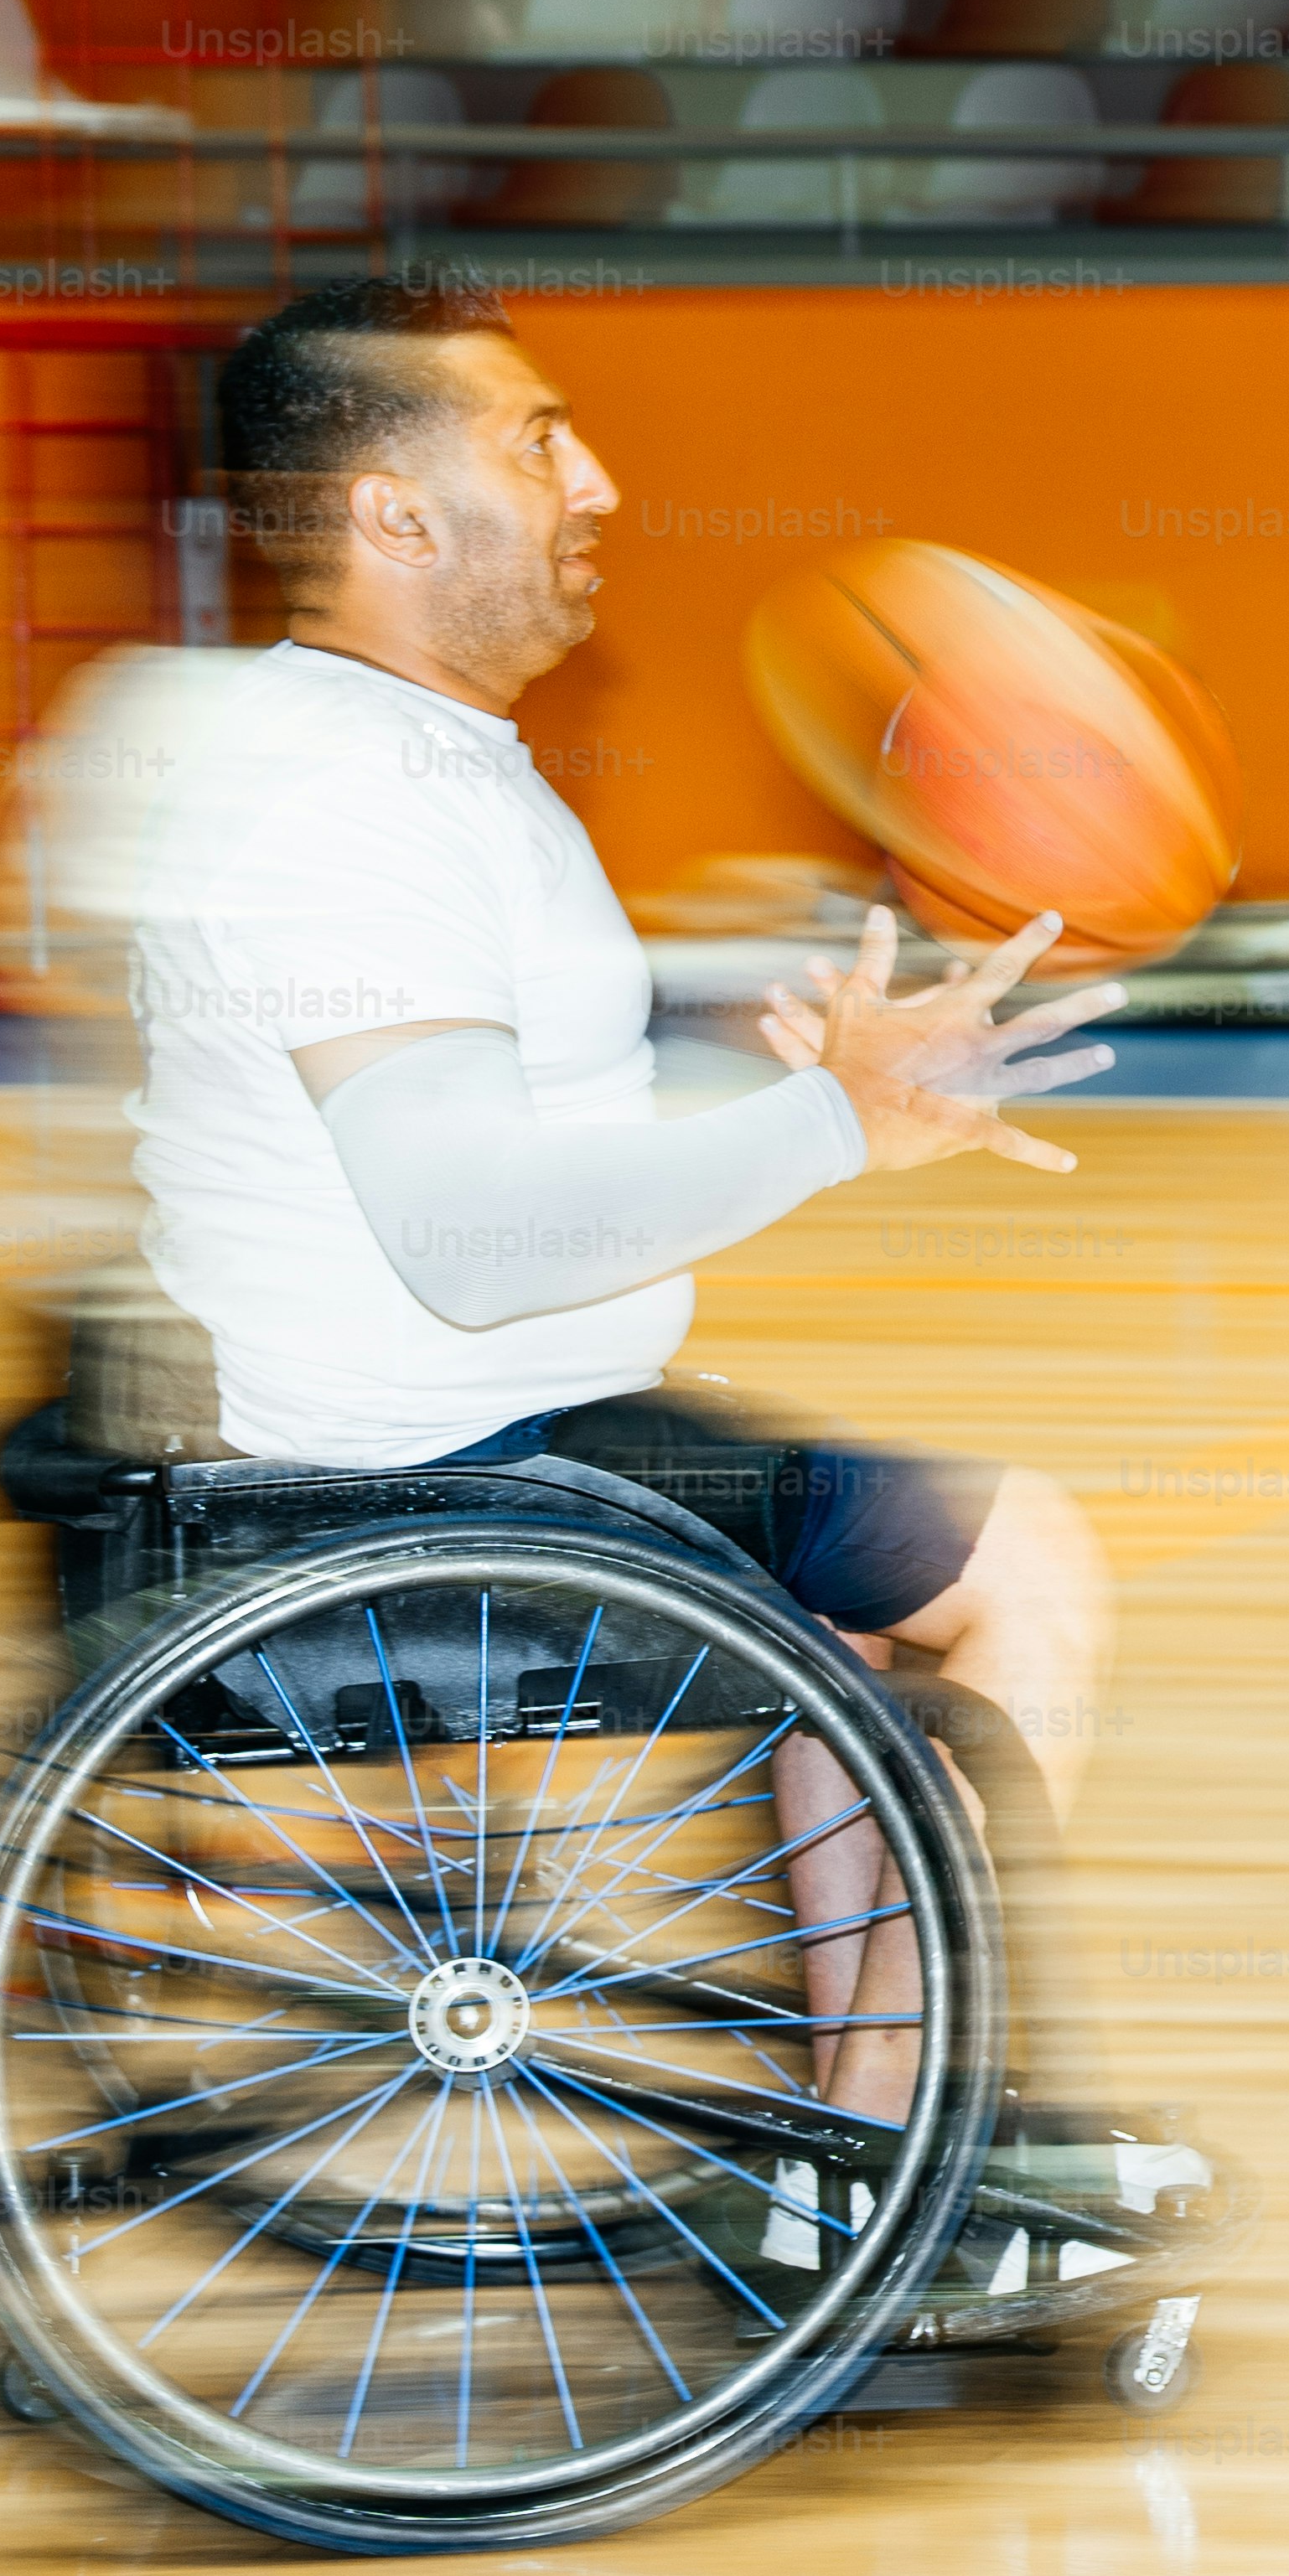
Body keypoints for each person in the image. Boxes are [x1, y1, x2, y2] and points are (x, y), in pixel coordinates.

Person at [97, 270, 1113, 2227]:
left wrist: (730, 1057)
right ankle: (919, 2177)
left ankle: (863, 2166)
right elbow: (473, 1231)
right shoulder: (342, 799)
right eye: (536, 436)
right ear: (391, 514)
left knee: (847, 1616)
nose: (603, 477)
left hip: (466, 1430)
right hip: (429, 1476)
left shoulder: (393, 754)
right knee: (1025, 1569)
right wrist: (833, 1123)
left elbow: (454, 1114)